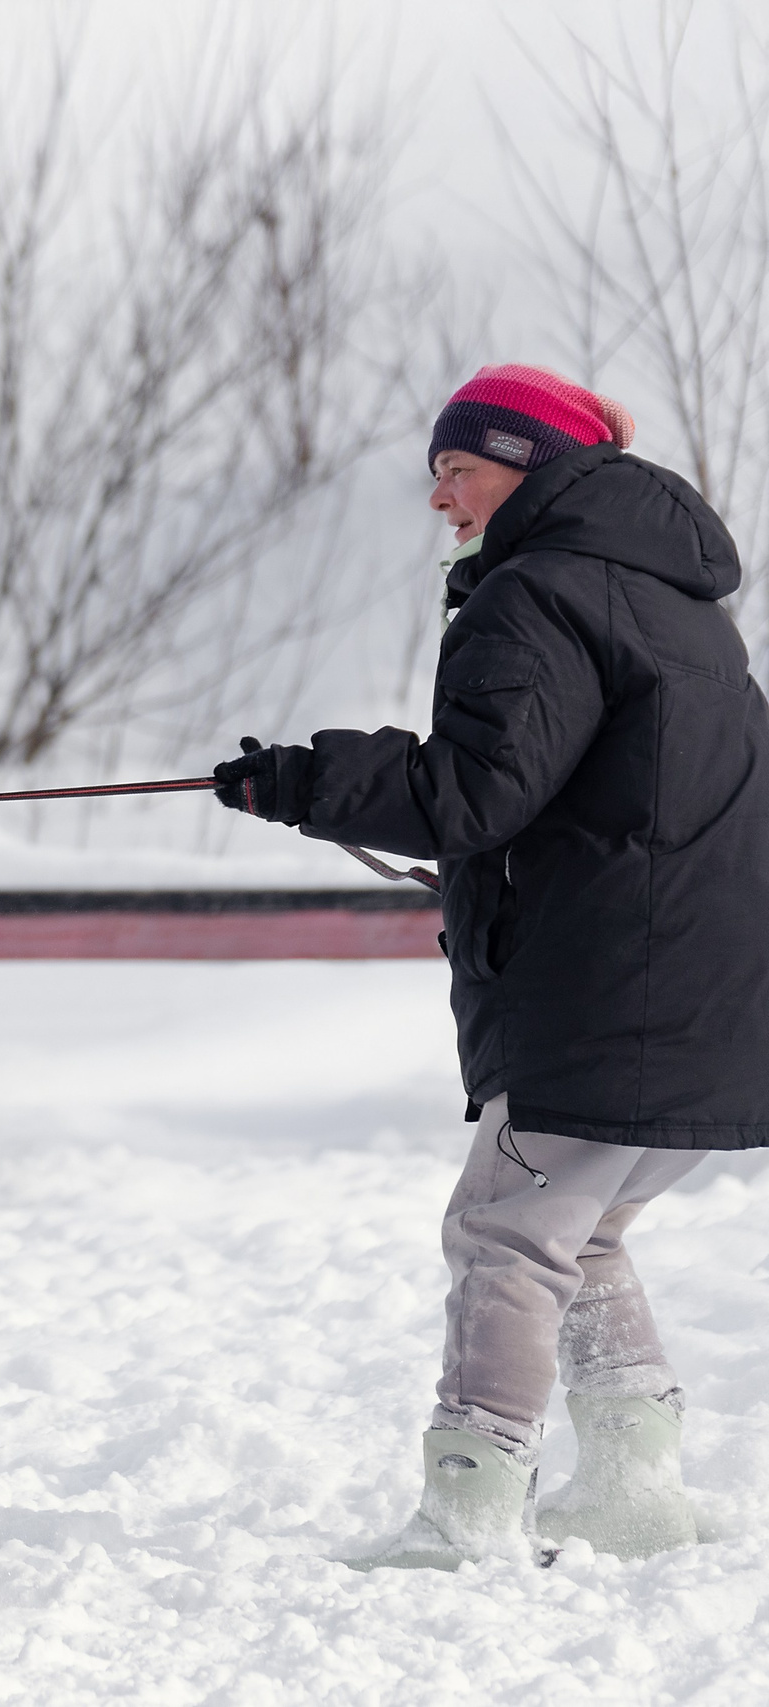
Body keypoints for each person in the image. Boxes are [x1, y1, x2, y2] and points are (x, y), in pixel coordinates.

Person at [213, 364, 769, 1568]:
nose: (439, 499)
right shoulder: (675, 603)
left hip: (614, 988)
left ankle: (467, 1508)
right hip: (705, 990)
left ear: (526, 463)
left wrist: (310, 782)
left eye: (454, 469)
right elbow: (604, 807)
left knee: (504, 1233)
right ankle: (630, 1485)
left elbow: (476, 789)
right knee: (585, 1232)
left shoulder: (537, 595)